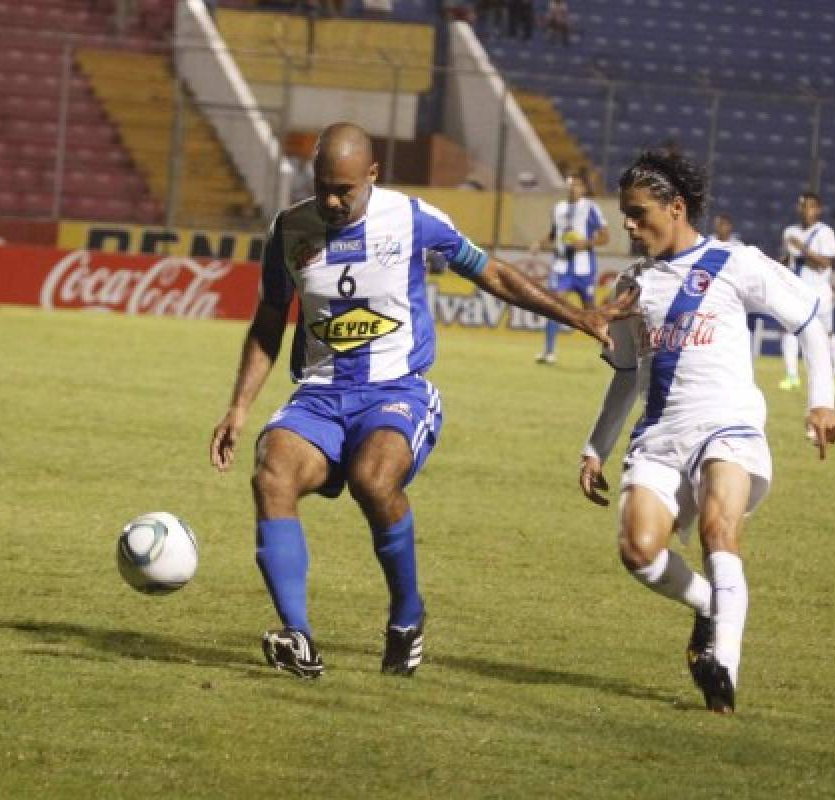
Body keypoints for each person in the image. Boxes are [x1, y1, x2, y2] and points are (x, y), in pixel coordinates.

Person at [209, 123, 635, 680]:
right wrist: (240, 407)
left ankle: (407, 615)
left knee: (373, 479)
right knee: (272, 476)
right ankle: (300, 637)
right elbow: (269, 322)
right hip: (319, 396)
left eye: (345, 189)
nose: (333, 201)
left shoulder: (412, 219)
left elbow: (496, 275)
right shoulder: (290, 228)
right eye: (324, 187)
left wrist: (577, 316)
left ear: (372, 176)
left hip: (397, 390)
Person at [578, 149, 835, 713]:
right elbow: (626, 376)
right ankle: (707, 606)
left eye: (637, 211)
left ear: (675, 208)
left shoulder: (734, 262)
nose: (627, 223)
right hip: (659, 437)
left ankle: (724, 665)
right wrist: (595, 448)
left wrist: (821, 403)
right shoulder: (633, 285)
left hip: (728, 427)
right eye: (624, 212)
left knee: (719, 531)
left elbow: (809, 322)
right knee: (638, 552)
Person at [532, 167, 610, 365]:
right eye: (570, 184)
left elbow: (605, 237)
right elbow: (553, 234)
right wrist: (540, 244)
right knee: (554, 306)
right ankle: (549, 352)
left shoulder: (591, 208)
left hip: (584, 269)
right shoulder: (558, 208)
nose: (573, 188)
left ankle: (609, 346)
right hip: (561, 267)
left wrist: (586, 243)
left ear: (583, 189)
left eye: (577, 185)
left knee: (590, 312)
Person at [779, 192, 835, 397]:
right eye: (803, 206)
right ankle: (792, 376)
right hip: (797, 290)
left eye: (811, 206)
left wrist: (802, 248)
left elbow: (824, 263)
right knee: (790, 331)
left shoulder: (825, 232)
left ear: (819, 209)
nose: (807, 210)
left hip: (819, 292)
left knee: (826, 335)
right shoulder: (790, 231)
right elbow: (788, 260)